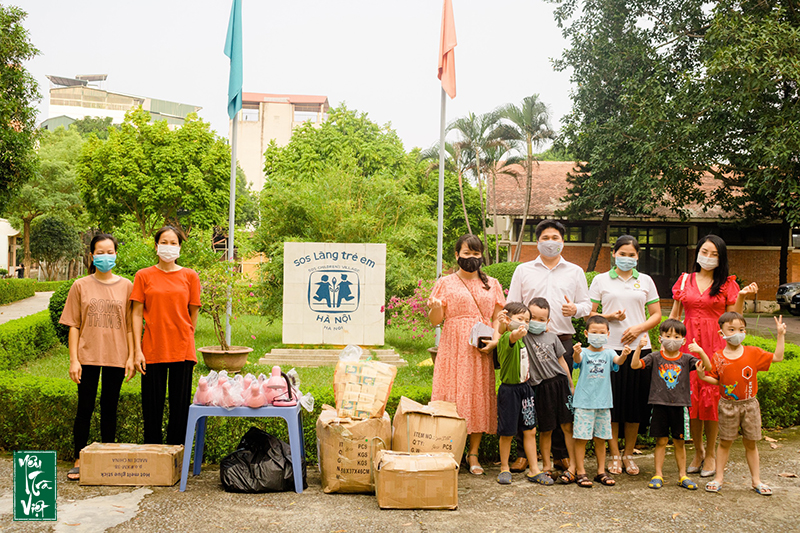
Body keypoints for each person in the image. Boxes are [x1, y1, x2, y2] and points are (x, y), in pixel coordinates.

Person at [669, 234, 758, 477]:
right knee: (693, 400)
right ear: (697, 253)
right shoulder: (684, 280)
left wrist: (740, 297)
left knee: (713, 400)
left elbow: (733, 320)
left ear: (721, 258)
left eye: (714, 254)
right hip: (688, 345)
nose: (708, 257)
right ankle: (697, 451)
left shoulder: (728, 284)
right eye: (704, 252)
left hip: (716, 346)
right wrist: (669, 342)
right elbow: (675, 315)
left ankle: (710, 454)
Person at [506, 219, 591, 473]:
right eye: (546, 237)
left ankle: (560, 455)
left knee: (558, 399)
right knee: (528, 397)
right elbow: (511, 305)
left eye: (555, 237)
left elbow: (587, 305)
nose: (550, 242)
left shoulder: (575, 271)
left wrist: (575, 309)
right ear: (537, 241)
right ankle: (524, 453)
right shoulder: (523, 270)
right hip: (528, 341)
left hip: (560, 340)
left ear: (563, 241)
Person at [427, 234, 505, 476]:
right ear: (456, 255)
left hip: (479, 348)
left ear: (481, 255)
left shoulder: (492, 283)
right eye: (466, 253)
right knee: (450, 394)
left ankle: (473, 453)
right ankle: (450, 450)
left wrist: (496, 339)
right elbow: (435, 321)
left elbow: (498, 317)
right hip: (452, 347)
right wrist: (437, 308)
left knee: (477, 395)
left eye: (476, 253)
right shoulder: (445, 283)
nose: (471, 258)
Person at [60, 233, 135, 481]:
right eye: (100, 252)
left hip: (116, 356)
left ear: (116, 254)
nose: (105, 256)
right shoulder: (80, 285)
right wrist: (74, 359)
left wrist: (130, 356)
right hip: (88, 356)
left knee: (110, 408)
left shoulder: (127, 286)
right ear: (92, 255)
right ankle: (80, 457)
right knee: (85, 408)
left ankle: (106, 457)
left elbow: (129, 326)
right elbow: (74, 325)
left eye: (110, 251)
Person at [589, 235, 661, 476]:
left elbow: (656, 315)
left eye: (632, 255)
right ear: (614, 254)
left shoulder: (646, 281)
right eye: (622, 254)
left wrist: (638, 328)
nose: (627, 258)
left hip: (639, 349)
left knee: (634, 404)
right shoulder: (600, 280)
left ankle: (629, 453)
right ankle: (615, 454)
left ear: (638, 257)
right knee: (611, 405)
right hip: (608, 350)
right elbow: (590, 315)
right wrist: (610, 318)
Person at [693, 312, 786, 495]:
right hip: (727, 405)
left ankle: (756, 480)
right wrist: (702, 376)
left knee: (751, 443)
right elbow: (717, 380)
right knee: (725, 442)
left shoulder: (753, 352)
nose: (737, 333)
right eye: (732, 329)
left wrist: (781, 335)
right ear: (722, 333)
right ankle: (718, 477)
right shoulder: (718, 357)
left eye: (741, 329)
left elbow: (777, 357)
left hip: (750, 405)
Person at [131, 226, 201, 445]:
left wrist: (187, 337)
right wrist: (136, 351)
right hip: (152, 348)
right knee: (151, 408)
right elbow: (136, 314)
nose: (168, 247)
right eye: (164, 242)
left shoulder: (190, 276)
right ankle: (153, 457)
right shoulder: (143, 275)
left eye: (174, 243)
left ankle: (176, 458)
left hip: (182, 349)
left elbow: (194, 312)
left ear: (180, 247)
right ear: (156, 245)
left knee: (180, 410)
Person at [631, 319, 711, 490]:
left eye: (676, 336)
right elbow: (635, 364)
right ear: (660, 338)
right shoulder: (655, 357)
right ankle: (658, 474)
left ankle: (683, 475)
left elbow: (708, 366)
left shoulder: (687, 359)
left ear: (683, 340)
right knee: (661, 441)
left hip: (680, 406)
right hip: (659, 405)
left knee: (679, 442)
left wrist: (701, 351)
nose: (672, 339)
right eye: (668, 335)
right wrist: (639, 347)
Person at [494, 302, 552, 485]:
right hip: (509, 391)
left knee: (530, 429)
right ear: (508, 319)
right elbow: (512, 335)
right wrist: (508, 327)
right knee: (507, 432)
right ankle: (504, 467)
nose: (525, 324)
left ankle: (534, 469)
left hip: (525, 389)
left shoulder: (523, 339)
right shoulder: (506, 339)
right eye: (520, 319)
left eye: (527, 320)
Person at [521, 297, 577, 484]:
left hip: (560, 383)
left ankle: (573, 466)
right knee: (546, 429)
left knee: (567, 426)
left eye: (541, 319)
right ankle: (546, 466)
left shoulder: (552, 337)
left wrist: (570, 384)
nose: (536, 322)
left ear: (548, 321)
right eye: (533, 318)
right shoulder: (524, 336)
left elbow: (562, 361)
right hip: (541, 388)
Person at [571, 315, 630, 488]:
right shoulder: (583, 352)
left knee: (601, 438)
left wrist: (624, 355)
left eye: (602, 332)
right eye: (594, 332)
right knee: (581, 438)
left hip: (603, 403)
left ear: (608, 334)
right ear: (586, 333)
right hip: (584, 402)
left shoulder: (609, 352)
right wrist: (575, 352)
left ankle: (600, 471)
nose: (598, 335)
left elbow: (617, 362)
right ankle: (581, 472)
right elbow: (577, 362)